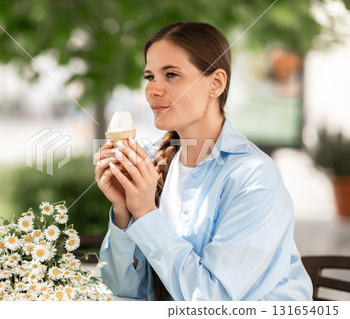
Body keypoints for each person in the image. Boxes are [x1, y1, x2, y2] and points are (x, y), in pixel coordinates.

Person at [93, 22, 313, 301]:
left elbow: (212, 301)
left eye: (171, 74)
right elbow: (125, 290)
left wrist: (147, 213)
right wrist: (124, 211)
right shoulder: (153, 162)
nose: (153, 90)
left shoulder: (254, 176)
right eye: (150, 76)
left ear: (216, 83)